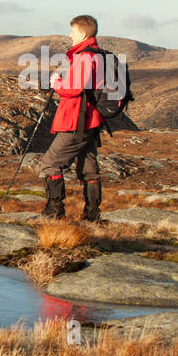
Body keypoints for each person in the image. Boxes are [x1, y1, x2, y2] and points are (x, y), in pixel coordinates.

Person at [41, 14, 104, 221]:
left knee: (51, 163)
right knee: (88, 168)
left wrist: (57, 83)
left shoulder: (85, 57)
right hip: (92, 121)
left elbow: (74, 88)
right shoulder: (99, 55)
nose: (70, 35)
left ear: (83, 34)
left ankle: (54, 213)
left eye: (73, 32)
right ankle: (92, 215)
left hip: (76, 121)